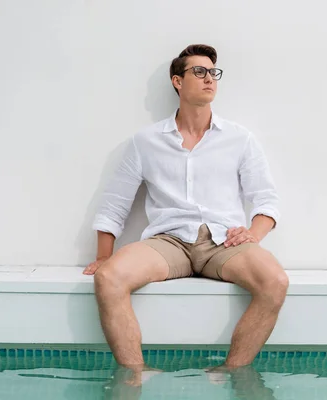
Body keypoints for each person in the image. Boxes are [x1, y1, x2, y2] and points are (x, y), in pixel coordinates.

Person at [83, 44, 288, 383]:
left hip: (224, 242)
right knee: (108, 279)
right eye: (200, 72)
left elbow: (266, 201)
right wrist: (104, 255)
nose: (210, 79)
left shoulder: (240, 139)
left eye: (213, 73)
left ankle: (233, 372)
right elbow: (115, 203)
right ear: (178, 82)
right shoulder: (145, 142)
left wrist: (254, 233)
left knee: (275, 282)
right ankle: (134, 376)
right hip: (168, 242)